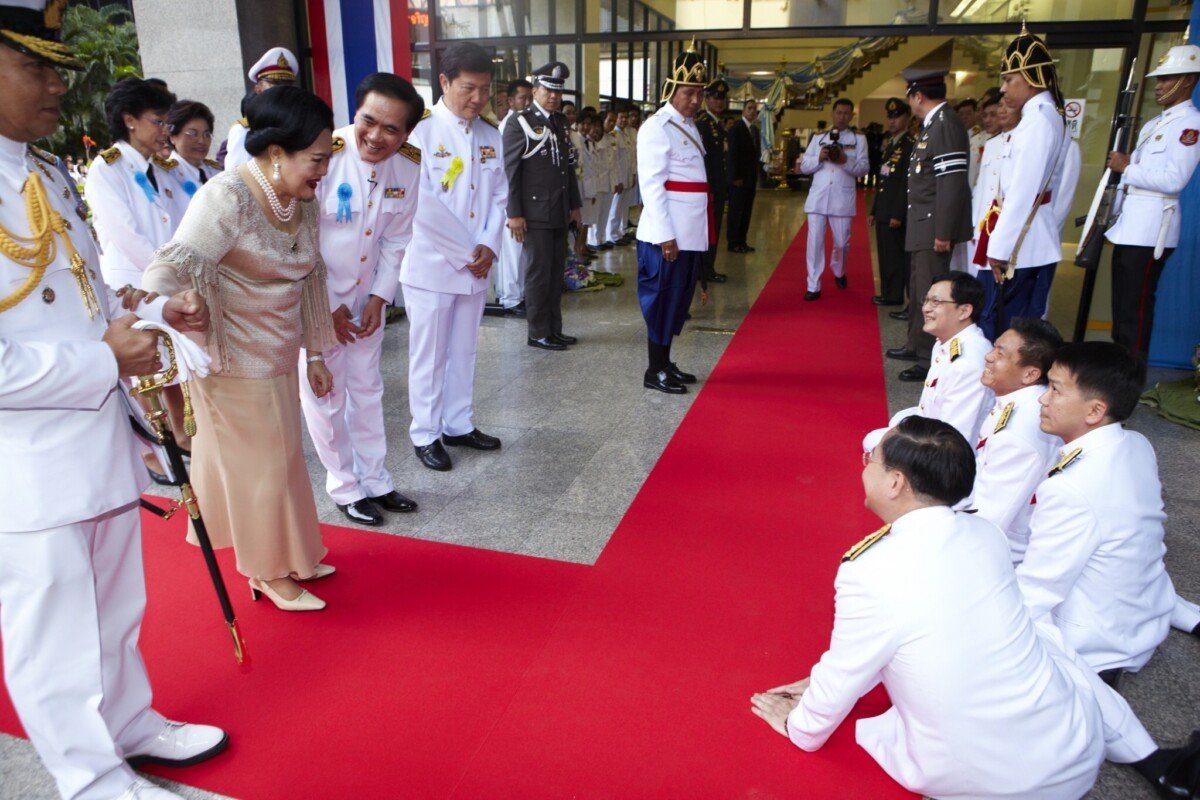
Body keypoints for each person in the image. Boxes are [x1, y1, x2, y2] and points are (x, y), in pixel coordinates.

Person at [0, 5, 227, 798]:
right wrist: (102, 361)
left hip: (94, 434)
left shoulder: (45, 171)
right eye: (35, 67)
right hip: (26, 460)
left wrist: (157, 313)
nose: (57, 85)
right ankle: (90, 778)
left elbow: (89, 294)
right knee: (54, 632)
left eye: (55, 67)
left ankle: (129, 724)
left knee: (114, 607)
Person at [751, 415, 1200, 800]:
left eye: (872, 459)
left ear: (896, 482)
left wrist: (801, 728)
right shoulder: (984, 533)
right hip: (1074, 751)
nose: (864, 465)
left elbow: (849, 666)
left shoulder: (869, 570)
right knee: (1045, 638)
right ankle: (1145, 754)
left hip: (994, 782)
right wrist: (816, 681)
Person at [142, 86, 338, 612]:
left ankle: (296, 555)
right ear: (276, 153)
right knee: (261, 470)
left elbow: (311, 277)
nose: (324, 171)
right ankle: (265, 572)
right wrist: (158, 305)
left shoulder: (301, 199)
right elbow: (174, 262)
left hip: (278, 354)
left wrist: (316, 354)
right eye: (317, 159)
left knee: (286, 460)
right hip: (231, 359)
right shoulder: (227, 196)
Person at [300, 72, 422, 527]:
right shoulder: (323, 157)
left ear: (407, 133)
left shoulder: (408, 165)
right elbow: (300, 241)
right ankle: (345, 486)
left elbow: (396, 238)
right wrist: (323, 307)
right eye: (368, 121)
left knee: (368, 390)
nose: (375, 136)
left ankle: (376, 479)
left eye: (391, 129)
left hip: (366, 304)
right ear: (355, 113)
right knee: (327, 395)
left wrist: (379, 297)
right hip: (318, 303)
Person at [1018, 341, 1182, 678]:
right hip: (1139, 617)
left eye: (1055, 389)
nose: (1042, 399)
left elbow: (1038, 588)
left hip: (1093, 641)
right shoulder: (1136, 443)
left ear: (1094, 411)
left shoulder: (1071, 486)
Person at [401, 41, 505, 472]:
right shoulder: (419, 133)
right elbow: (420, 202)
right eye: (468, 88)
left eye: (485, 89)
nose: (478, 98)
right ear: (444, 82)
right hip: (432, 266)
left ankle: (458, 423)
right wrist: (467, 251)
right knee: (429, 355)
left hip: (476, 266)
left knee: (464, 350)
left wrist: (490, 245)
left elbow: (499, 196)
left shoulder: (490, 135)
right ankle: (425, 432)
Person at [1105, 44, 1200, 354]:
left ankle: (1132, 371)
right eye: (1159, 79)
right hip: (1130, 227)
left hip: (1151, 230)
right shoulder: (1153, 124)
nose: (1159, 85)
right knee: (1121, 307)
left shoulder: (1190, 125)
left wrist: (1127, 167)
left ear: (1188, 80)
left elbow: (1175, 179)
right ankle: (1120, 367)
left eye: (1167, 78)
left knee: (1135, 309)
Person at [980, 27, 1072, 340]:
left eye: (1009, 79)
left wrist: (999, 248)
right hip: (1029, 238)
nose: (1003, 88)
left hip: (1022, 244)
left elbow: (1022, 192)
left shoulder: (1037, 120)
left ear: (1031, 76)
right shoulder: (1046, 114)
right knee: (1015, 330)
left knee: (1007, 331)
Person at [885, 69, 973, 383]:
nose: (911, 104)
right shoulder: (933, 124)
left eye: (910, 97)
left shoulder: (945, 124)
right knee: (918, 289)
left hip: (933, 227)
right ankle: (915, 344)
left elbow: (951, 182)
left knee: (931, 295)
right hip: (922, 224)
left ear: (918, 96)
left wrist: (943, 232)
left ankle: (926, 359)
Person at [636, 43, 709, 394]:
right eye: (688, 92)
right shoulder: (657, 127)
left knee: (678, 301)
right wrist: (666, 235)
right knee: (662, 299)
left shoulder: (688, 125)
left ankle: (665, 362)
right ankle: (654, 370)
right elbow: (652, 186)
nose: (695, 100)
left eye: (699, 93)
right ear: (672, 89)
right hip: (667, 234)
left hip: (690, 230)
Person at [970, 317, 1063, 562]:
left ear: (1030, 374)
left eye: (1000, 353)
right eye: (994, 347)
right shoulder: (1018, 402)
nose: (988, 357)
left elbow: (988, 519)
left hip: (1003, 553)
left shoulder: (1018, 430)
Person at [504, 61, 582, 352]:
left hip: (559, 209)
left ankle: (554, 329)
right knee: (538, 273)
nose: (553, 96)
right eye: (548, 90)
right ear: (535, 90)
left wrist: (574, 205)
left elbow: (567, 168)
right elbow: (510, 171)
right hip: (534, 212)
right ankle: (537, 332)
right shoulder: (519, 122)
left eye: (557, 92)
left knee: (555, 272)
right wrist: (514, 213)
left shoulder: (560, 121)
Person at [865, 271, 992, 448]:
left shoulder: (967, 362)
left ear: (964, 311)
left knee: (873, 443)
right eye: (926, 300)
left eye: (936, 302)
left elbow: (953, 438)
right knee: (894, 424)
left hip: (947, 448)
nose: (926, 308)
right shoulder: (946, 341)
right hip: (934, 428)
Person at [84, 78, 180, 291]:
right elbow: (127, 235)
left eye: (168, 124)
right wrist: (170, 277)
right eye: (158, 122)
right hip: (133, 287)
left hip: (169, 282)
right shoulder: (107, 168)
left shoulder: (160, 169)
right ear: (130, 121)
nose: (165, 131)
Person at [799, 98, 869, 300]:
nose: (842, 117)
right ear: (832, 113)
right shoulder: (818, 137)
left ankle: (839, 270)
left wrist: (845, 160)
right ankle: (813, 285)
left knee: (842, 243)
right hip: (818, 198)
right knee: (814, 243)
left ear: (851, 115)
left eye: (846, 113)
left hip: (842, 199)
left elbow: (864, 168)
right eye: (839, 112)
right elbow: (804, 166)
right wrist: (819, 158)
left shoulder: (859, 139)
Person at [221, 46, 298, 170]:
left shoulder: (298, 124)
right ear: (259, 89)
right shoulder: (244, 130)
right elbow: (236, 176)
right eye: (275, 84)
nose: (282, 90)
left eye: (288, 85)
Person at [869, 98, 914, 307]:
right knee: (885, 255)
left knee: (895, 256)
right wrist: (874, 209)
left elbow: (906, 183)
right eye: (890, 117)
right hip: (884, 210)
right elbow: (883, 180)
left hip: (895, 212)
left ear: (907, 118)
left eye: (897, 117)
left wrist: (898, 213)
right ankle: (888, 292)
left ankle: (895, 295)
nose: (892, 121)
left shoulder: (909, 145)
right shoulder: (891, 143)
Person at [969, 93, 1010, 277]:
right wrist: (974, 225)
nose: (988, 120)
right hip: (983, 224)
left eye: (994, 114)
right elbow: (980, 189)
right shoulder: (991, 144)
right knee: (979, 277)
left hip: (1002, 224)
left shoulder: (1020, 141)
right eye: (985, 115)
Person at [162, 99, 222, 218]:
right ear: (173, 137)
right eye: (193, 134)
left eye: (206, 134)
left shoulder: (217, 172)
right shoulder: (166, 175)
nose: (201, 141)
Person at [696, 79, 729, 285]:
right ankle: (704, 270)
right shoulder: (704, 123)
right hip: (710, 189)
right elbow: (703, 161)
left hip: (718, 187)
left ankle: (707, 268)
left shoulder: (717, 123)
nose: (719, 102)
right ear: (706, 100)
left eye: (722, 98)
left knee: (714, 230)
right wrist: (708, 188)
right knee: (709, 231)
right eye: (715, 98)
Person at [726, 98, 759, 253]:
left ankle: (742, 241)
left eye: (755, 109)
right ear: (743, 110)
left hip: (750, 179)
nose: (752, 111)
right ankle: (733, 242)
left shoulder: (754, 130)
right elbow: (732, 154)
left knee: (746, 211)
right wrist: (735, 177)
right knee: (736, 211)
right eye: (749, 108)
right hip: (738, 179)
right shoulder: (736, 128)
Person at [587, 109, 621, 251]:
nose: (612, 124)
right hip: (597, 183)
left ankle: (601, 238)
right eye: (609, 121)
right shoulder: (594, 141)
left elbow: (614, 163)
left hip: (608, 181)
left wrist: (616, 181)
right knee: (595, 213)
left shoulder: (611, 139)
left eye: (614, 121)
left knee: (605, 212)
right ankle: (593, 240)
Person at [604, 104, 635, 246]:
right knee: (614, 208)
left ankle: (619, 232)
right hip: (618, 178)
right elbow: (613, 161)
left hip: (627, 176)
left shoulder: (626, 135)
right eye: (621, 117)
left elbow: (630, 158)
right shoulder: (613, 136)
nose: (623, 120)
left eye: (625, 117)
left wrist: (632, 175)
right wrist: (617, 180)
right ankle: (611, 235)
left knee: (623, 207)